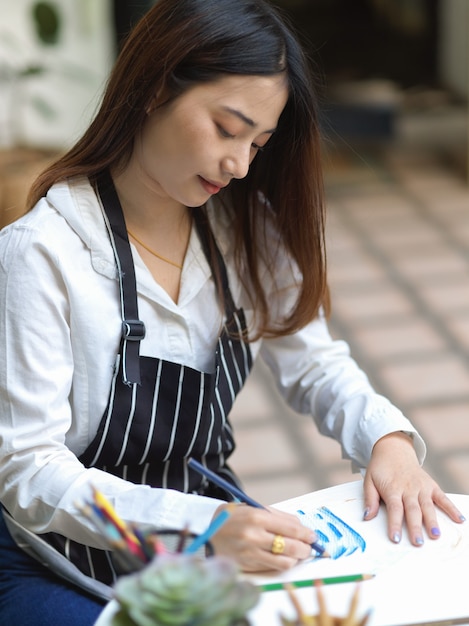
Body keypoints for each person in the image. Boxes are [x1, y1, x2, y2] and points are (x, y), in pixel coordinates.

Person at [0, 0, 464, 624]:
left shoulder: (243, 231)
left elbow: (316, 363)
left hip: (204, 550)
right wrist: (202, 523)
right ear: (154, 87)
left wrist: (388, 439)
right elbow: (27, 470)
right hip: (56, 557)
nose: (240, 165)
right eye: (226, 128)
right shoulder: (42, 253)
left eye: (258, 143)